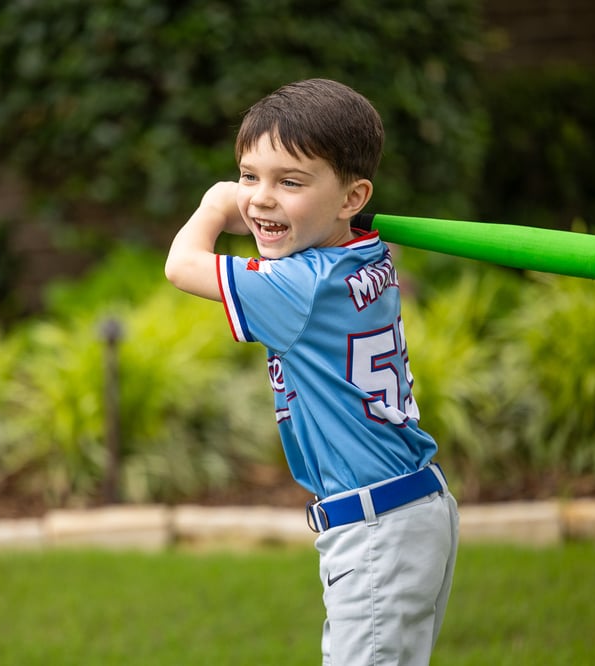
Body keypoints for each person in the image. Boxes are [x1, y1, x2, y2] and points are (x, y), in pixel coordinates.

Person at [164, 78, 460, 666]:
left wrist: (215, 205)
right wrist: (272, 200)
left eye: (290, 181)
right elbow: (297, 238)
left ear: (352, 199)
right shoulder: (366, 252)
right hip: (408, 510)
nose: (260, 197)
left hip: (376, 526)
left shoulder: (300, 284)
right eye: (249, 176)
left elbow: (181, 265)